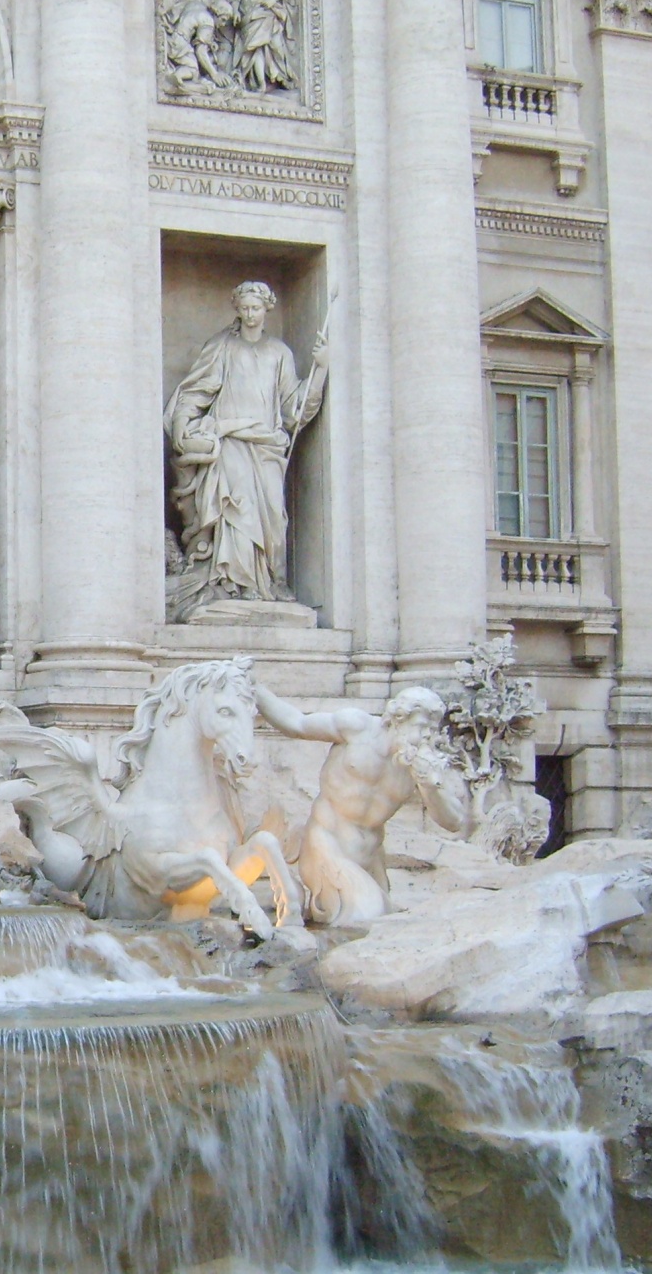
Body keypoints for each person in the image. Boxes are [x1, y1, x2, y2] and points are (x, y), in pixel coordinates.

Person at [165, 280, 326, 615]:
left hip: (267, 447)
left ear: (267, 309)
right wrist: (182, 422)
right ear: (237, 310)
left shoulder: (279, 353)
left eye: (256, 308)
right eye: (245, 309)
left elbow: (294, 408)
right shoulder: (222, 346)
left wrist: (321, 369)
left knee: (272, 521)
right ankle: (231, 585)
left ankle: (264, 582)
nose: (250, 315)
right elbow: (196, 392)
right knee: (237, 512)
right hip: (231, 444)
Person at [253, 685, 468, 926]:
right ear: (398, 720)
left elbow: (454, 822)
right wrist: (257, 692)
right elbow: (297, 723)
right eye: (421, 727)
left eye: (432, 729)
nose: (427, 736)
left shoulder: (417, 764)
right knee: (366, 917)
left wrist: (431, 787)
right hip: (327, 845)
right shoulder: (357, 727)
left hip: (371, 858)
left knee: (383, 925)